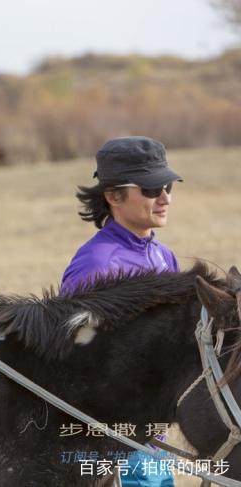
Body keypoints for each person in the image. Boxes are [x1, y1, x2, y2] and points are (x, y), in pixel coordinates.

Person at [61, 136, 181, 487]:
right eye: (151, 188)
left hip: (152, 439)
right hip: (113, 448)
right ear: (113, 196)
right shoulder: (96, 267)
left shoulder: (164, 256)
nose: (165, 197)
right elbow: (69, 363)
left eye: (168, 185)